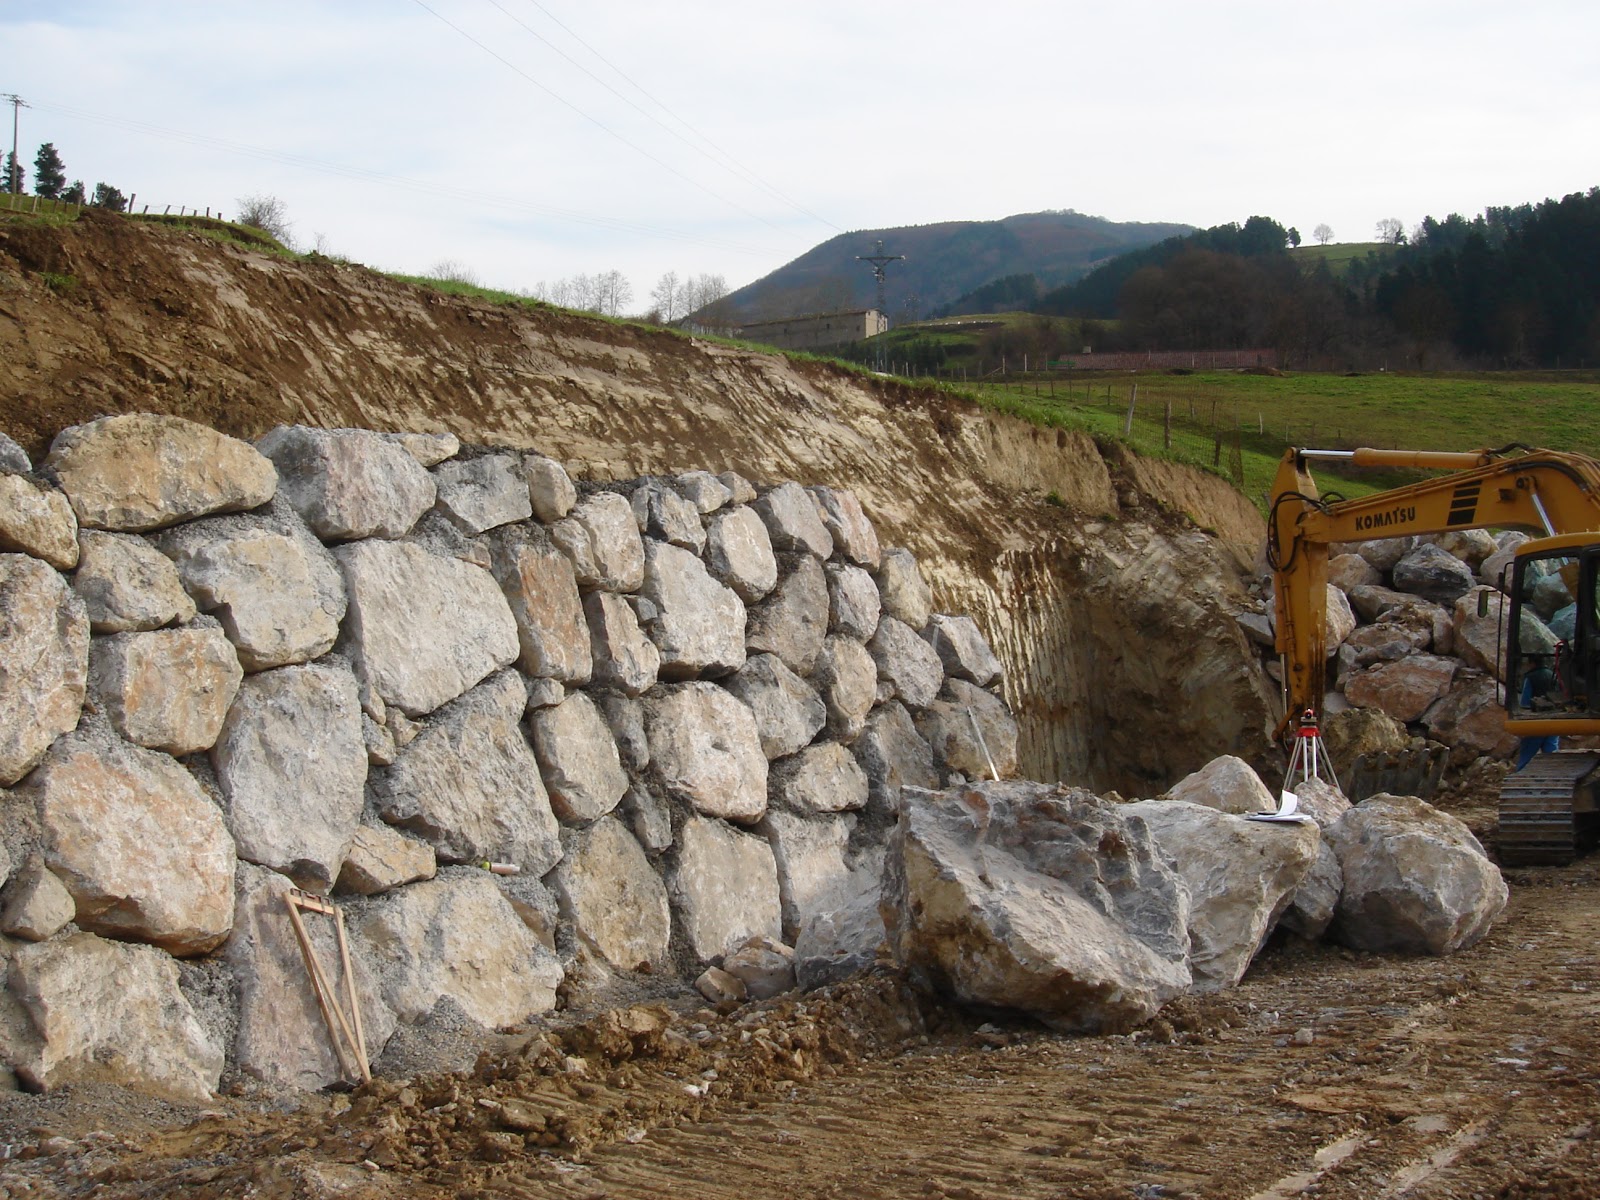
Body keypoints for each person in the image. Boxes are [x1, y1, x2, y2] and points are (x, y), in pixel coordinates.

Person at [1515, 655, 1560, 771]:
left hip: (1536, 722)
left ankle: (1521, 776)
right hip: (1554, 721)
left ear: (1532, 663)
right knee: (1552, 754)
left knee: (1526, 756)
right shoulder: (1553, 675)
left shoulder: (1530, 677)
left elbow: (1525, 702)